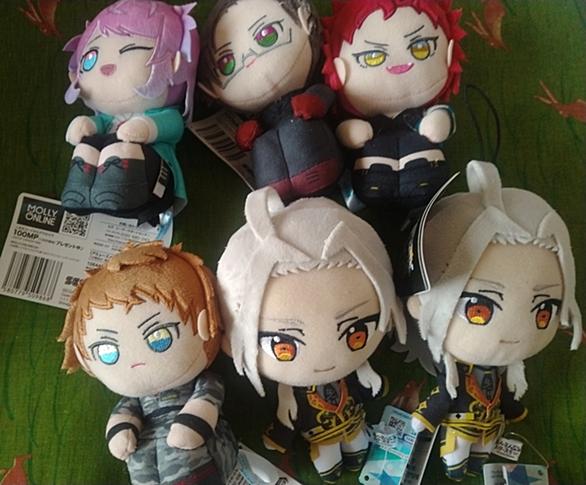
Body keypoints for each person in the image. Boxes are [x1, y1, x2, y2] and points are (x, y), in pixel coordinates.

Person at [216, 187, 406, 483]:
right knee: (328, 461)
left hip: (354, 421)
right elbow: (288, 415)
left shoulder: (351, 370)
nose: (326, 360)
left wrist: (368, 377)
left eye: (356, 333)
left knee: (358, 445)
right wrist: (281, 435)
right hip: (320, 434)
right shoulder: (290, 392)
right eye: (283, 346)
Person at [406, 161, 582, 480]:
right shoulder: (455, 373)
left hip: (490, 425)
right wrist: (427, 416)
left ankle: (472, 464)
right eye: (479, 309)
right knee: (456, 458)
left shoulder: (500, 370)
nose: (514, 333)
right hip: (461, 425)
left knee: (479, 460)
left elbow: (507, 394)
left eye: (543, 311)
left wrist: (512, 409)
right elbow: (445, 394)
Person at [59, 241, 238, 485]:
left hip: (197, 453)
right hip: (145, 453)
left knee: (189, 460)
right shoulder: (134, 400)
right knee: (141, 467)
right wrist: (121, 430)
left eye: (160, 337)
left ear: (208, 321)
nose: (136, 362)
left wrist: (193, 422)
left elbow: (207, 398)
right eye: (107, 351)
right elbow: (124, 415)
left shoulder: (205, 381)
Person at [61, 0, 198, 222]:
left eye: (132, 50)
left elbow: (174, 126)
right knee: (88, 146)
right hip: (106, 183)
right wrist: (87, 125)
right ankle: (80, 191)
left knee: (123, 148)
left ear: (176, 62)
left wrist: (146, 128)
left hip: (157, 183)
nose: (106, 68)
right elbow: (100, 124)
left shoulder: (163, 114)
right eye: (90, 58)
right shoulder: (107, 119)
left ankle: (116, 192)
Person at [322, 0, 465, 210]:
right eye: (372, 57)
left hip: (426, 182)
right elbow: (345, 134)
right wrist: (349, 132)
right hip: (371, 182)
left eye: (421, 48)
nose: (400, 65)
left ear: (449, 53)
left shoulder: (423, 114)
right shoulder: (365, 120)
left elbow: (442, 120)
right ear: (339, 70)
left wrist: (438, 121)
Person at [199, 0, 343, 202]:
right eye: (227, 63)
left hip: (318, 164)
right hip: (274, 189)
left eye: (267, 35)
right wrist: (248, 132)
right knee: (263, 145)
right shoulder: (261, 116)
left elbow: (325, 93)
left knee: (299, 129)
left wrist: (315, 101)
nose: (250, 60)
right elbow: (252, 133)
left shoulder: (310, 89)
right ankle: (277, 185)